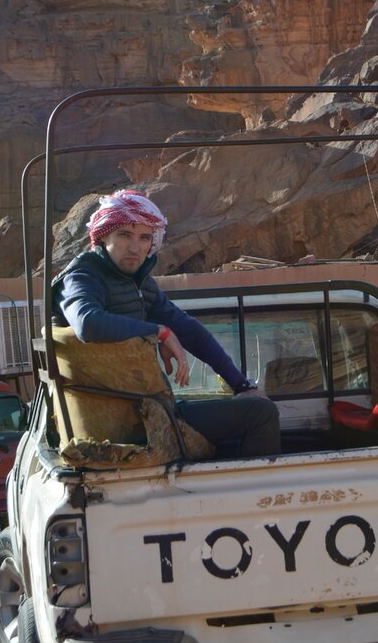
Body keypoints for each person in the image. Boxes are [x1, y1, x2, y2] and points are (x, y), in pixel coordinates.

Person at [52, 189, 280, 459]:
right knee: (262, 415)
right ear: (102, 236)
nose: (135, 248)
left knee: (246, 413)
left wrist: (242, 386)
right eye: (124, 235)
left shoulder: (137, 281)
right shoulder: (83, 276)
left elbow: (189, 330)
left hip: (147, 406)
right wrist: (158, 332)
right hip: (130, 420)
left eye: (144, 237)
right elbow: (87, 323)